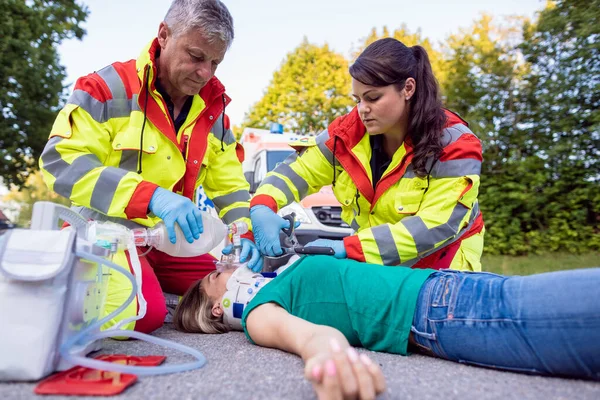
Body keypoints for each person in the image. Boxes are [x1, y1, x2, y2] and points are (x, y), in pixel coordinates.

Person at [38, 0, 261, 334]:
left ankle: (149, 284)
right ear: (163, 35)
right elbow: (60, 162)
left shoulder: (213, 111)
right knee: (141, 316)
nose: (206, 73)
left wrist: (243, 230)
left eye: (216, 62)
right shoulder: (105, 89)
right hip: (106, 234)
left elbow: (228, 184)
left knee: (236, 286)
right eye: (197, 56)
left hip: (168, 240)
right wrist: (152, 197)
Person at [174, 255, 600, 399]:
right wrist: (331, 358)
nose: (224, 267)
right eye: (217, 276)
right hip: (436, 313)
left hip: (445, 284)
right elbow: (309, 338)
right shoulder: (259, 313)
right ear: (217, 309)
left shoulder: (278, 277)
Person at [250, 38, 484, 271]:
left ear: (408, 88)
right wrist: (262, 206)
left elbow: (437, 224)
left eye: (373, 98)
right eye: (358, 99)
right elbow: (297, 171)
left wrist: (350, 248)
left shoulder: (455, 144)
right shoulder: (346, 134)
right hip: (376, 263)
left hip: (440, 267)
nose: (362, 109)